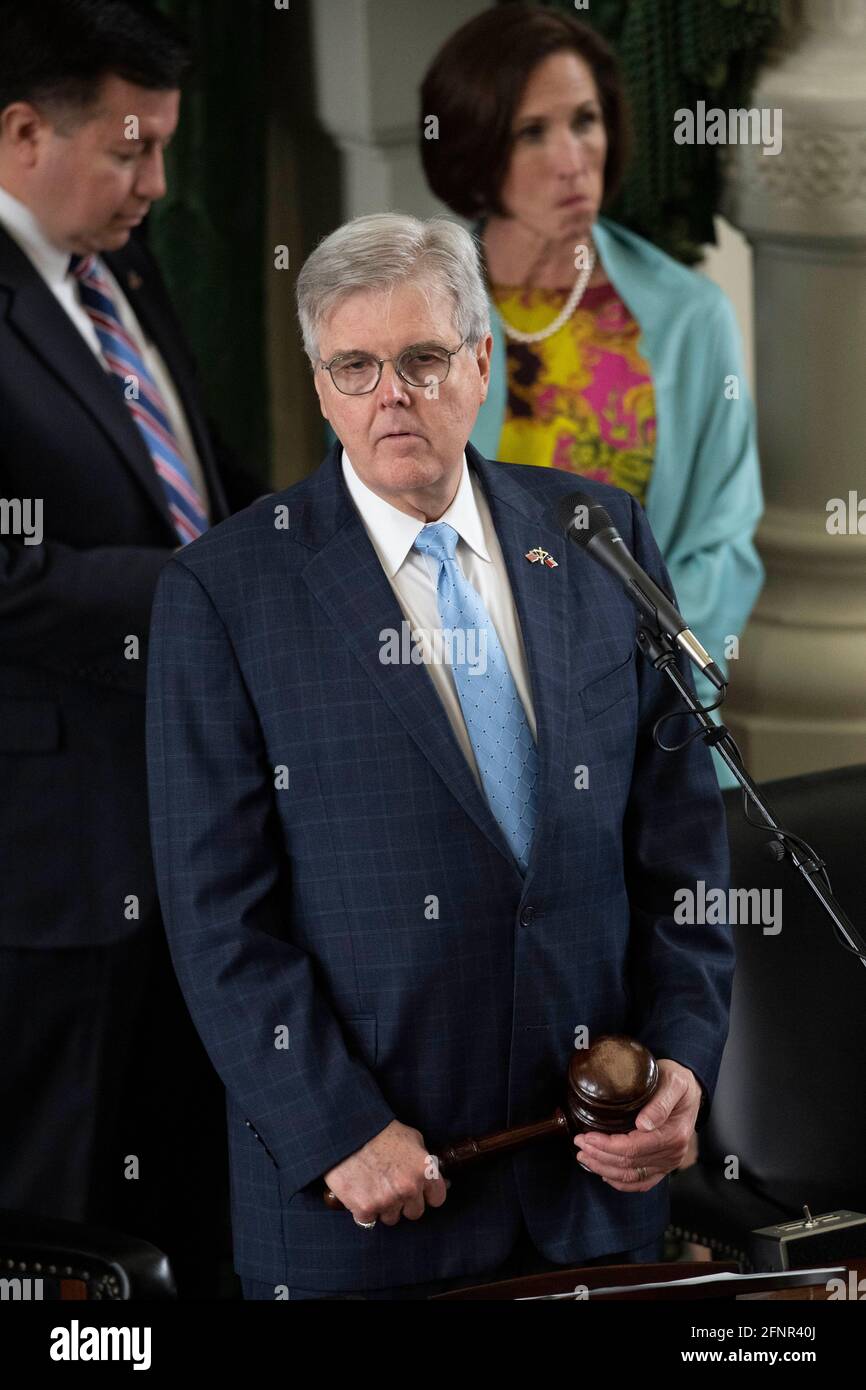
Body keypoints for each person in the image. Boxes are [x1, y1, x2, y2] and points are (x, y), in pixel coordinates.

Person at [146, 211, 735, 1300]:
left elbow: (682, 849)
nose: (390, 396)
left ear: (477, 361)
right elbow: (215, 915)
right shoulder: (224, 593)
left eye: (420, 359)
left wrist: (681, 1062)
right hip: (369, 1200)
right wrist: (335, 1128)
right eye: (354, 366)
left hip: (595, 1184)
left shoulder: (599, 534)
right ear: (320, 385)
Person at [0, 0, 264, 1295]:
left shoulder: (124, 267)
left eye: (164, 148)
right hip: (47, 855)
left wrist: (329, 537)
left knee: (191, 1191)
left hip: (192, 830)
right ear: (19, 133)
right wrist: (210, 589)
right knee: (57, 1217)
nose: (157, 184)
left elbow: (199, 480)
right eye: (129, 150)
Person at [420, 3, 764, 788]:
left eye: (586, 121)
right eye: (533, 132)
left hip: (646, 731)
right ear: (477, 147)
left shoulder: (688, 317)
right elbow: (378, 539)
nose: (574, 157)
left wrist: (626, 695)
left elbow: (722, 543)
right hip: (461, 738)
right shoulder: (415, 320)